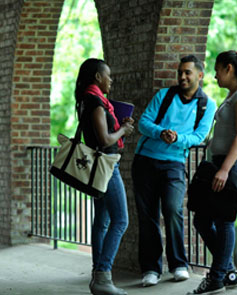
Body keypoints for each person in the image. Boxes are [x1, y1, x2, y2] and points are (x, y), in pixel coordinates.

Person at [132, 55, 216, 287]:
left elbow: (199, 137)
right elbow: (143, 123)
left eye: (188, 72)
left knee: (172, 209)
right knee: (148, 217)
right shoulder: (164, 95)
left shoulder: (207, 105)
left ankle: (179, 264)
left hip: (174, 165)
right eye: (180, 72)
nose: (182, 77)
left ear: (200, 75)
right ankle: (150, 269)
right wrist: (161, 133)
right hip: (145, 161)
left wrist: (177, 138)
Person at [187, 49, 237, 295]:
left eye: (217, 70)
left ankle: (217, 278)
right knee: (202, 219)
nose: (214, 76)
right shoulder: (233, 95)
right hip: (219, 164)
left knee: (224, 221)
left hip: (232, 164)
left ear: (229, 68)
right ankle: (227, 272)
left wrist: (225, 170)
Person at [75, 58, 134, 295]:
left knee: (102, 221)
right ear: (98, 77)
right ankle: (103, 275)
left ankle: (97, 276)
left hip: (100, 166)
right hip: (106, 166)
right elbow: (104, 139)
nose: (111, 79)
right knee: (121, 220)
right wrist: (122, 130)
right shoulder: (96, 102)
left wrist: (119, 124)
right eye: (108, 75)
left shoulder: (89, 100)